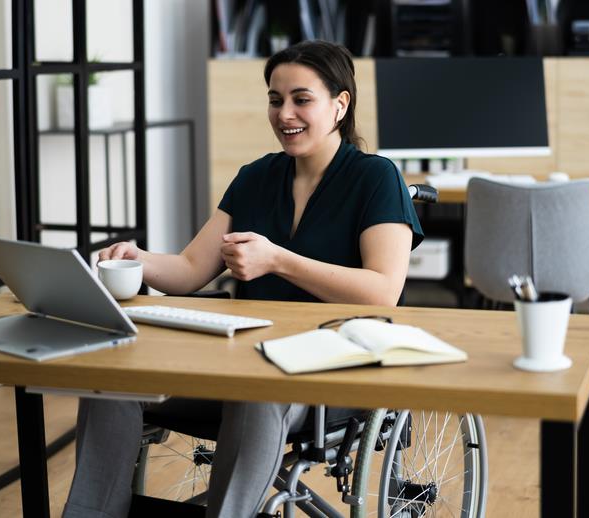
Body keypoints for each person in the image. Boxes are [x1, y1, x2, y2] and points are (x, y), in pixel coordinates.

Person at [63, 40, 424, 518]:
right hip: (243, 363)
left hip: (331, 372)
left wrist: (278, 260)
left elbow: (383, 291)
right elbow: (191, 270)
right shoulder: (255, 177)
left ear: (340, 104)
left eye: (302, 99)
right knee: (112, 384)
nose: (284, 113)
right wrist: (139, 258)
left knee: (259, 394)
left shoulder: (376, 178)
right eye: (275, 100)